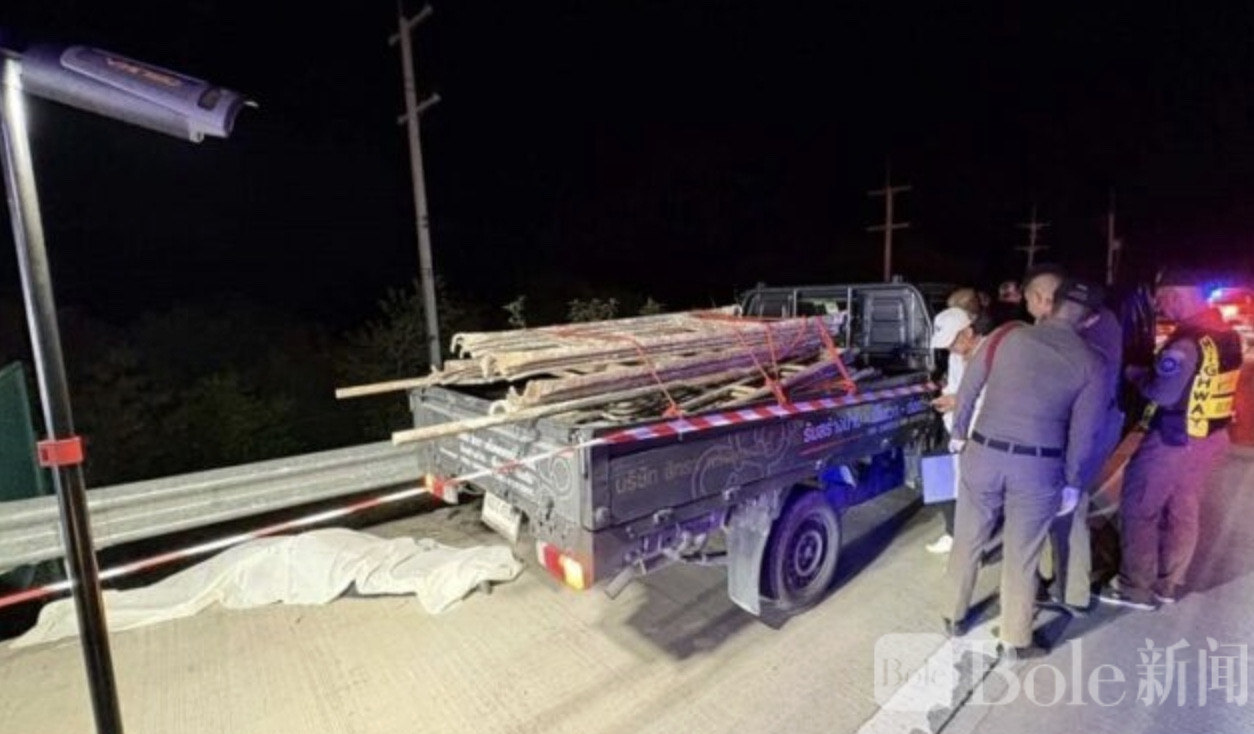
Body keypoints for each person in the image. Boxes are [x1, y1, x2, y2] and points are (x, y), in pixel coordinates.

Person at [945, 278, 1108, 657]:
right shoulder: (1092, 364)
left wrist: (958, 434)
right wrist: (1072, 483)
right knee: (1022, 553)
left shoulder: (1007, 337)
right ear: (1091, 319)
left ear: (1053, 303)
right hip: (1037, 468)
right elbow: (1084, 433)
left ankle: (952, 615)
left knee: (967, 537)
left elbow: (969, 387)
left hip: (983, 453)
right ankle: (1015, 641)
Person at [1098, 267, 1243, 610]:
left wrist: (1137, 374)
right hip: (1211, 437)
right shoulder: (1226, 334)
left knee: (1140, 506)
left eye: (1162, 301)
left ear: (1176, 295)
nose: (1161, 309)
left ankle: (1135, 587)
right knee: (1183, 508)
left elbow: (1162, 393)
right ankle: (1168, 583)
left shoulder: (1186, 343)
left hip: (1173, 438)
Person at [1022, 265, 1125, 613]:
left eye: (1032, 303)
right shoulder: (1101, 320)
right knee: (1068, 505)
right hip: (1095, 424)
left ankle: (1069, 590)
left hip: (1077, 431)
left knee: (1067, 506)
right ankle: (1064, 584)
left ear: (1045, 298)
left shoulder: (1075, 333)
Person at [926, 307, 985, 554]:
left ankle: (977, 542)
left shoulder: (990, 354)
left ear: (968, 333)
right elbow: (954, 387)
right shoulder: (955, 357)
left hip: (983, 434)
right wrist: (947, 398)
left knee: (976, 491)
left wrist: (957, 400)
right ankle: (952, 531)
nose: (950, 349)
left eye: (953, 342)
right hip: (956, 429)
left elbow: (994, 398)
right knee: (937, 470)